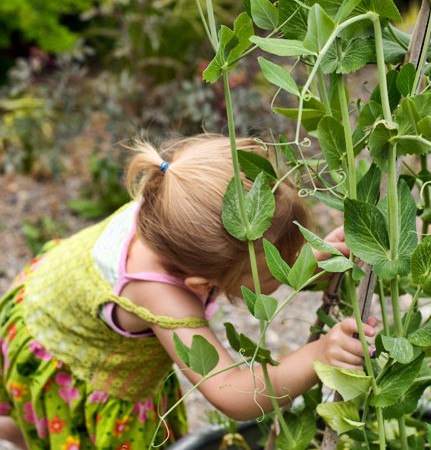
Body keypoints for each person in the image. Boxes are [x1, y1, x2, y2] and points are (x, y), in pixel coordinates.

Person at [0, 135, 376, 449]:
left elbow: (246, 262)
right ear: (200, 286)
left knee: (32, 418)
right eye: (278, 264)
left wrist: (313, 259)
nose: (290, 264)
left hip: (42, 298)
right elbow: (232, 392)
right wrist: (319, 354)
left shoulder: (175, 204)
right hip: (73, 356)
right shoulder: (161, 296)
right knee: (59, 423)